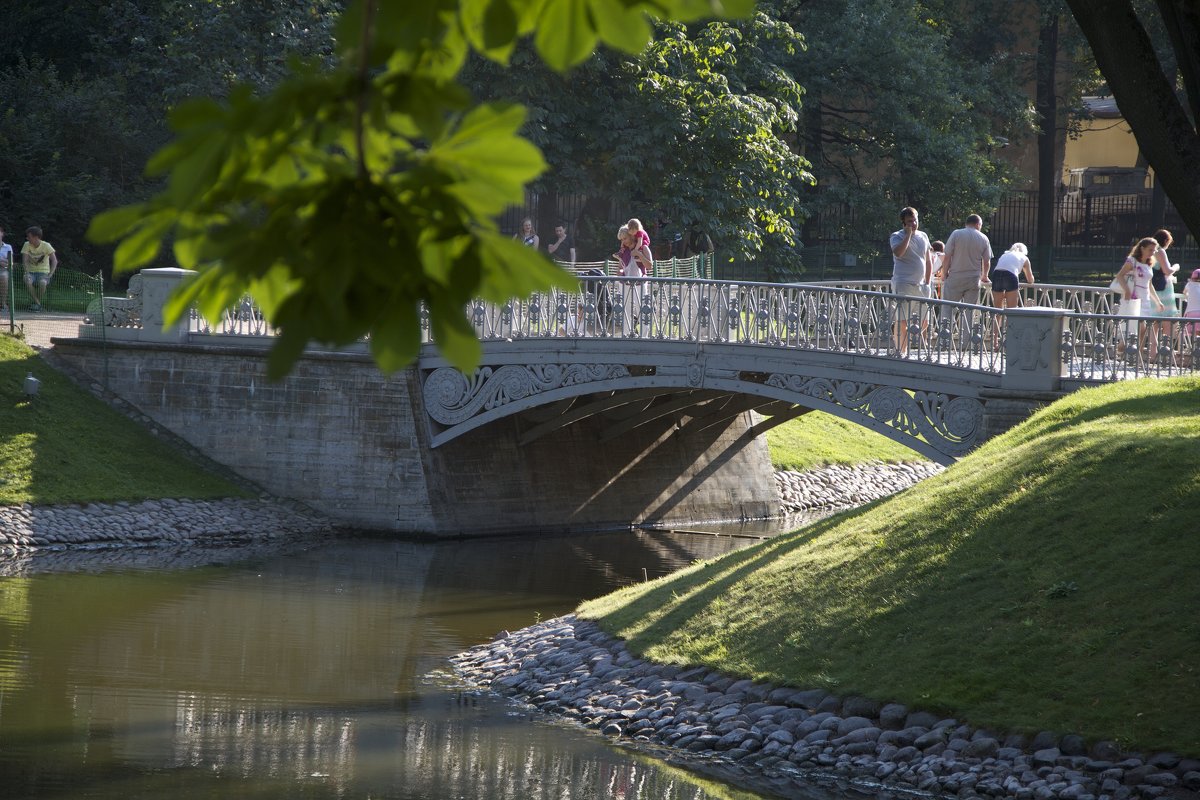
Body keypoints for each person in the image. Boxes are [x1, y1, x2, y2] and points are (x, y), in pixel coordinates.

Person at [888, 206, 933, 351]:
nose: (913, 224)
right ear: (903, 222)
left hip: (921, 285)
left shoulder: (923, 236)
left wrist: (927, 282)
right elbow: (898, 253)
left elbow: (928, 261)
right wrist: (908, 235)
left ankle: (914, 344)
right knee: (901, 321)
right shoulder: (897, 236)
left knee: (925, 320)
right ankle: (901, 351)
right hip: (903, 283)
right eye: (909, 221)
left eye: (915, 220)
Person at [1114, 237, 1166, 358]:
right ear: (1142, 248)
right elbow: (1120, 276)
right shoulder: (1132, 261)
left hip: (1145, 300)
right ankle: (1122, 348)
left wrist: (1158, 301)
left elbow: (1149, 284)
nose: (1152, 252)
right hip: (1134, 298)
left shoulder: (1148, 264)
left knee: (1143, 330)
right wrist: (1127, 290)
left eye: (1154, 250)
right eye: (1150, 249)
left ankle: (1138, 355)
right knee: (1135, 328)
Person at [940, 214, 993, 305]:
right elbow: (986, 261)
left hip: (955, 277)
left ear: (966, 223)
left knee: (948, 309)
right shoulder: (984, 238)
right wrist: (985, 276)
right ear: (978, 224)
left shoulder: (956, 234)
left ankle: (947, 320)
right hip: (973, 278)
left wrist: (944, 274)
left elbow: (947, 256)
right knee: (970, 311)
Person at [22, 226, 57, 312]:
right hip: (30, 272)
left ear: (36, 237)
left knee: (42, 282)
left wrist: (50, 275)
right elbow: (25, 261)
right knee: (27, 279)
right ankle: (38, 304)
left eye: (29, 237)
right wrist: (27, 273)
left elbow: (55, 261)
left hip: (44, 273)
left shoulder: (46, 245)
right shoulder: (26, 245)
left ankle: (36, 303)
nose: (27, 238)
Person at [1183, 268, 1200, 336]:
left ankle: (1194, 345)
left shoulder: (1189, 284)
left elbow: (1184, 292)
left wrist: (1188, 296)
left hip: (1191, 312)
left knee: (1193, 334)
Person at [0, 226, 12, 313]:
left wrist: (4, 262)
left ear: (2, 234)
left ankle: (3, 304)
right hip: (2, 265)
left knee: (4, 277)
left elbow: (10, 262)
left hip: (3, 269)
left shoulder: (8, 247)